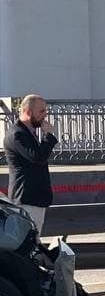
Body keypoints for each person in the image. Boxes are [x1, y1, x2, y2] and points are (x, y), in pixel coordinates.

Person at [3, 94, 58, 233]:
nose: (45, 115)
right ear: (28, 112)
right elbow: (37, 158)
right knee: (30, 242)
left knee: (34, 241)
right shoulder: (18, 134)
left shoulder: (27, 132)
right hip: (27, 199)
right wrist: (48, 136)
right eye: (41, 111)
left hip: (34, 198)